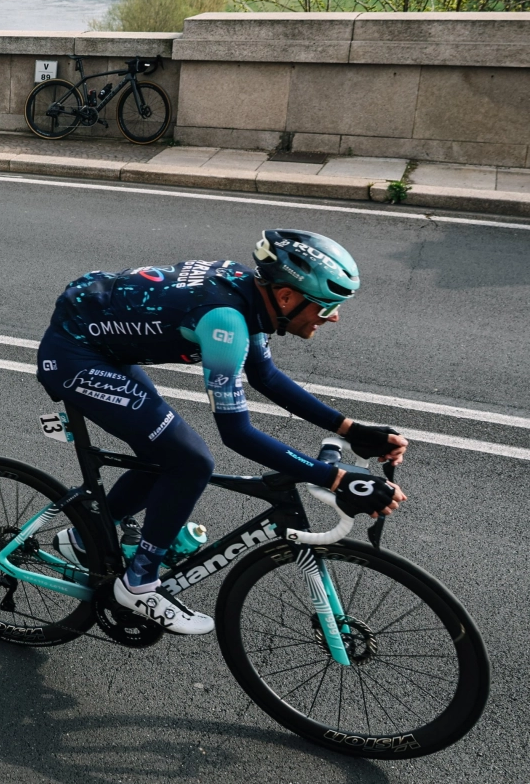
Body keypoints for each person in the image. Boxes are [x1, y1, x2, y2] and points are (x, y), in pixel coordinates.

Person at [35, 229, 407, 636]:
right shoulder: (224, 322)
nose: (333, 316)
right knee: (190, 461)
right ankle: (138, 584)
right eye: (328, 305)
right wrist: (335, 478)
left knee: (166, 452)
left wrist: (352, 430)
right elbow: (237, 433)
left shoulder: (252, 296)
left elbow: (265, 375)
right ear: (286, 297)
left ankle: (85, 537)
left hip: (104, 347)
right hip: (75, 356)